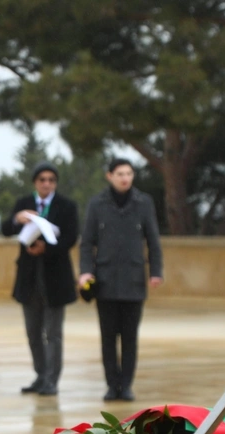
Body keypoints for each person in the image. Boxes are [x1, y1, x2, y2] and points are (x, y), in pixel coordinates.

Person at [78, 158, 164, 402]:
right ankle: (111, 384)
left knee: (129, 338)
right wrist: (85, 271)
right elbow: (87, 243)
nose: (125, 178)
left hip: (134, 280)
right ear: (110, 176)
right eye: (120, 174)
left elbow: (153, 240)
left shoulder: (144, 203)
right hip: (105, 281)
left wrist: (156, 271)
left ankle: (126, 385)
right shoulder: (97, 204)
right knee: (108, 338)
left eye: (129, 173)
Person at [1, 162, 80, 396]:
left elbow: (71, 238)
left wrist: (46, 248)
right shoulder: (24, 204)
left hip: (55, 278)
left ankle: (52, 380)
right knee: (33, 332)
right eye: (42, 180)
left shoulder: (66, 206)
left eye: (51, 180)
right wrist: (17, 220)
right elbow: (5, 229)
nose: (47, 184)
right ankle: (40, 374)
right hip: (29, 277)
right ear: (35, 182)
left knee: (53, 333)